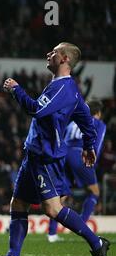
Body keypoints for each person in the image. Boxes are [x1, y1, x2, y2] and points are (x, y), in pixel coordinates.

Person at [0, 42, 110, 256]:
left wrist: (16, 89)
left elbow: (36, 109)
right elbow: (86, 118)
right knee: (19, 204)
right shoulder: (65, 87)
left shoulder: (63, 88)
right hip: (33, 153)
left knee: (52, 209)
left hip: (45, 156)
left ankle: (96, 242)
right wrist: (89, 145)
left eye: (53, 52)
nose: (48, 54)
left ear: (64, 59)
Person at [48, 100, 107, 242]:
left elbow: (62, 138)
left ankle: (52, 234)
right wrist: (92, 163)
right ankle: (82, 228)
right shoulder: (99, 123)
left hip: (64, 155)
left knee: (61, 195)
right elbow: (96, 144)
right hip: (80, 154)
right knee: (94, 192)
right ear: (98, 113)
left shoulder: (74, 121)